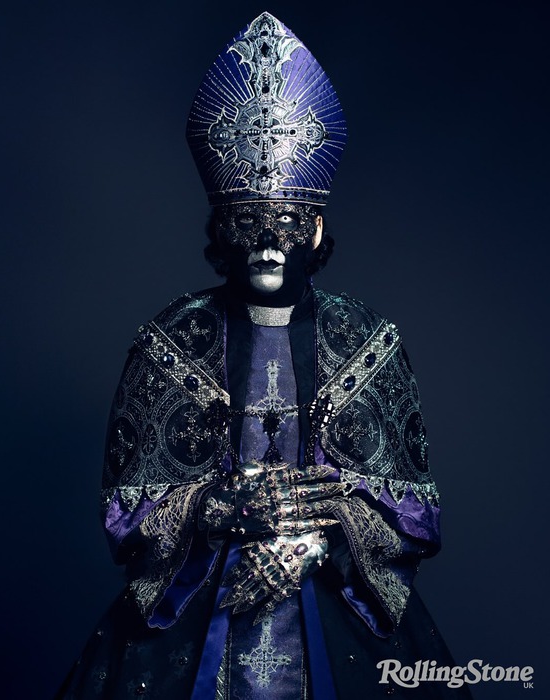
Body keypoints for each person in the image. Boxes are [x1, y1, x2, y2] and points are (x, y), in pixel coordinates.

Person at [58, 12, 471, 699]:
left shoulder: (369, 340)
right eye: (248, 221)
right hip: (198, 596)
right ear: (221, 228)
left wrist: (314, 540)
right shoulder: (170, 339)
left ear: (316, 228)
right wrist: (215, 509)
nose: (268, 242)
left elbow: (414, 515)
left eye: (285, 222)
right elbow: (130, 511)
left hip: (333, 594)